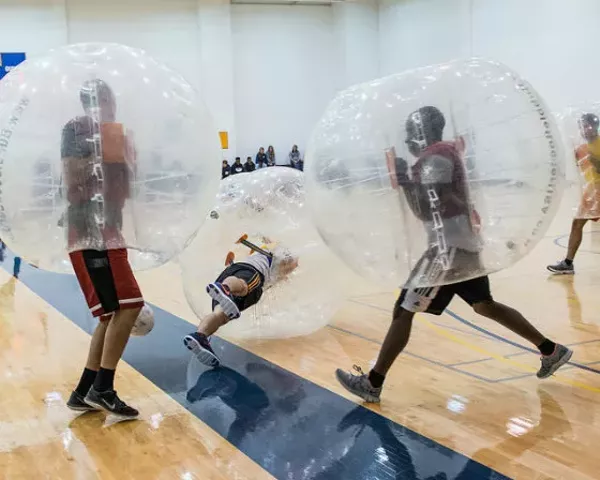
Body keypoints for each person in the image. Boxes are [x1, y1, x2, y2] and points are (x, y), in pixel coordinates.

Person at [335, 106, 573, 403]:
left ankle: (373, 382)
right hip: (461, 243)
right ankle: (551, 350)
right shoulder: (442, 153)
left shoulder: (435, 158)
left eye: (412, 130)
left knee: (404, 309)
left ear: (420, 131)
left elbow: (426, 209)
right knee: (485, 306)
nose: (409, 136)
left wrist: (403, 180)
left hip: (448, 249)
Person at [63, 79, 145, 418]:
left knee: (112, 313)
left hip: (109, 229)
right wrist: (104, 152)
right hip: (90, 231)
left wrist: (126, 157)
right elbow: (70, 175)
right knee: (130, 306)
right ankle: (104, 388)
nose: (108, 104)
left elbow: (131, 184)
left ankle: (84, 391)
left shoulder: (116, 132)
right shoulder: (76, 129)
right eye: (101, 99)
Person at [183, 238, 299, 367]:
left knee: (221, 316)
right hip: (249, 273)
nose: (294, 267)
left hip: (229, 273)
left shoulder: (260, 255)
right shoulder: (273, 256)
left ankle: (200, 336)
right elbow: (286, 258)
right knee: (244, 286)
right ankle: (225, 289)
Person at [547, 113, 600, 274]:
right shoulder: (580, 148)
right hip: (591, 192)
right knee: (577, 223)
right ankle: (568, 263)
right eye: (581, 126)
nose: (584, 129)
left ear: (594, 126)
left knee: (577, 223)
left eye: (587, 126)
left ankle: (568, 263)